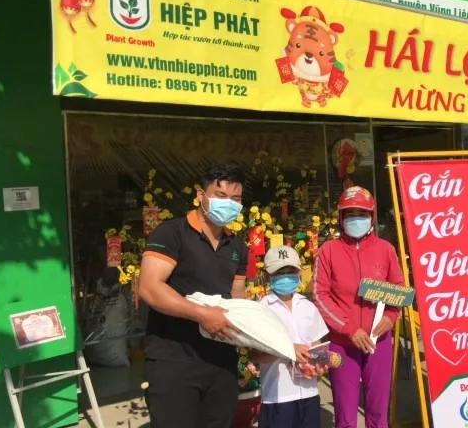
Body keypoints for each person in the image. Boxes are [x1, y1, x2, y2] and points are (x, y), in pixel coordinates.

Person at [138, 164, 248, 428]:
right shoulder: (171, 233)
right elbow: (150, 287)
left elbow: (238, 302)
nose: (229, 204)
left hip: (222, 362)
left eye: (236, 198)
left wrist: (265, 345)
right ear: (201, 195)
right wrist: (201, 315)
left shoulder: (237, 246)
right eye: (220, 195)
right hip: (174, 360)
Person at [313, 186, 405, 428]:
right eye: (350, 214)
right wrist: (349, 328)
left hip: (378, 342)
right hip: (342, 343)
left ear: (372, 217)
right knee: (345, 414)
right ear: (341, 217)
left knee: (378, 412)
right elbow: (320, 294)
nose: (356, 219)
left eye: (362, 214)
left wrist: (391, 316)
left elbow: (399, 288)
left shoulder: (385, 249)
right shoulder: (328, 250)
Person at [248, 245, 329, 428]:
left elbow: (317, 347)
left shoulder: (308, 307)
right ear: (267, 275)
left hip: (309, 393)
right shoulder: (261, 309)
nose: (285, 276)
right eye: (279, 272)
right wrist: (288, 349)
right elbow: (254, 355)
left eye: (290, 271)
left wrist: (320, 364)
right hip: (278, 397)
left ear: (299, 273)